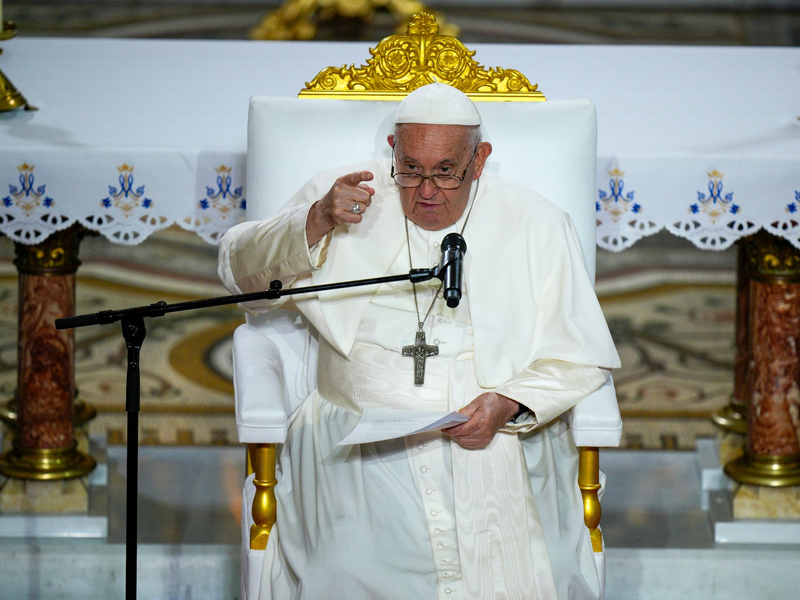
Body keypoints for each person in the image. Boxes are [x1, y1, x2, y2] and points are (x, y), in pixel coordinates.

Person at [219, 83, 621, 600]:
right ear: (392, 151)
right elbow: (239, 276)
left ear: (479, 161)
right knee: (347, 567)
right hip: (357, 433)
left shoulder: (538, 222)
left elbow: (580, 353)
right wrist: (315, 220)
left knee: (532, 573)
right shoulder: (345, 196)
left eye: (445, 172)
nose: (426, 191)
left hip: (491, 432)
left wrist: (508, 404)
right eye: (410, 169)